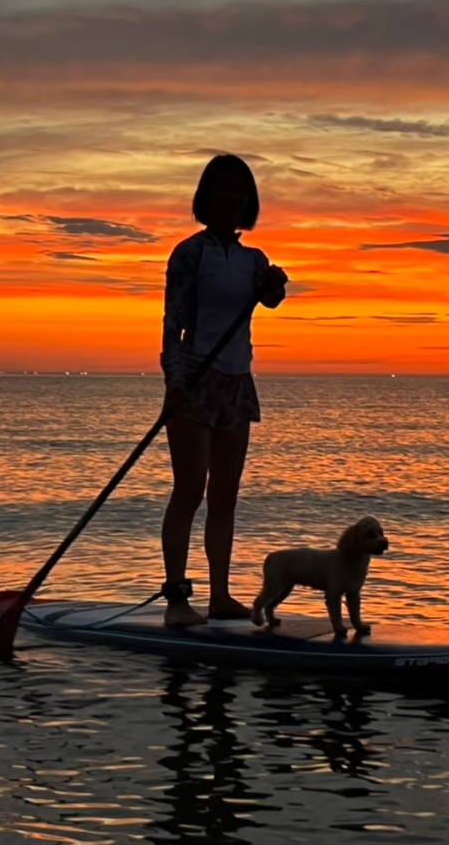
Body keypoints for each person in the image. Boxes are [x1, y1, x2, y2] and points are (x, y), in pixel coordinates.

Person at [158, 154, 288, 625]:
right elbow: (172, 324)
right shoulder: (189, 254)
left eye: (241, 191)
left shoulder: (254, 260)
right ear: (206, 196)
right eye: (224, 189)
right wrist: (174, 381)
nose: (232, 198)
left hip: (237, 382)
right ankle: (177, 601)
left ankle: (220, 596)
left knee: (225, 496)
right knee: (189, 491)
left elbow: (270, 300)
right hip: (194, 382)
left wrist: (275, 283)